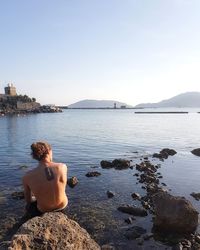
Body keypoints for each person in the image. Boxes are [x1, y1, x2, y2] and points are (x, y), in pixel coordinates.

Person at [22, 142, 68, 217]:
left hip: (44, 210)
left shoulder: (27, 176)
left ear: (34, 156)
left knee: (30, 205)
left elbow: (28, 200)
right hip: (62, 206)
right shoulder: (62, 167)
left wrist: (35, 197)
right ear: (49, 152)